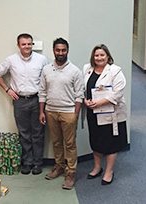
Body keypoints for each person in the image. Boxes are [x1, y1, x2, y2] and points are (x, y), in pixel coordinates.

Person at [0, 33, 49, 175]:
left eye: (29, 44)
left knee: (38, 133)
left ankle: (37, 163)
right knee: (24, 133)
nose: (27, 46)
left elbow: (49, 76)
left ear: (32, 45)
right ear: (18, 45)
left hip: (37, 100)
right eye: (23, 44)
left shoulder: (41, 60)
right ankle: (27, 162)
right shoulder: (11, 60)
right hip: (20, 101)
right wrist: (8, 89)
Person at [39, 37, 84, 190]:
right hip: (50, 111)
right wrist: (42, 111)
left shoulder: (75, 71)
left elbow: (79, 95)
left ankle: (71, 172)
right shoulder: (46, 69)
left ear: (67, 51)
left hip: (68, 112)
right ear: (54, 51)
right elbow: (42, 92)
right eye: (58, 50)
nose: (60, 53)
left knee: (70, 144)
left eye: (63, 50)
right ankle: (59, 167)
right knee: (56, 142)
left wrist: (75, 115)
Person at [83, 44, 127, 185]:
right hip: (92, 113)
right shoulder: (87, 69)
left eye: (102, 55)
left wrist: (100, 102)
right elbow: (82, 88)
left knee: (110, 144)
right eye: (96, 55)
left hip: (110, 114)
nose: (99, 58)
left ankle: (109, 171)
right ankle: (97, 167)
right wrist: (85, 100)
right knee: (95, 141)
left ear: (108, 56)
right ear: (93, 57)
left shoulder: (115, 71)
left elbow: (118, 93)